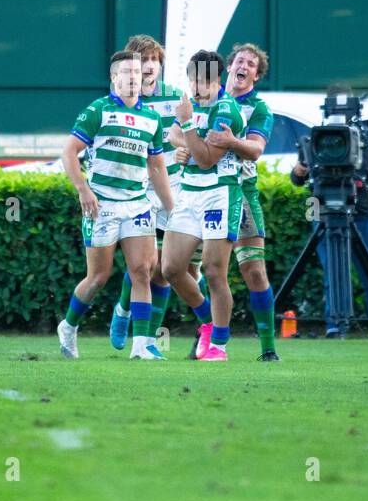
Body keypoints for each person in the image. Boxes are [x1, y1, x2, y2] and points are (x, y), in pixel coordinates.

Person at [55, 51, 186, 360]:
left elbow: (156, 168)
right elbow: (69, 153)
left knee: (143, 270)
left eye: (137, 73)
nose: (132, 78)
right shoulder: (97, 111)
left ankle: (141, 346)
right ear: (113, 78)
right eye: (126, 72)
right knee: (98, 278)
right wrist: (83, 190)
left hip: (137, 205)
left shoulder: (152, 119)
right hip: (101, 206)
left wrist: (172, 210)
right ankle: (69, 327)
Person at [107, 36, 194, 350]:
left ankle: (151, 340)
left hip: (175, 189)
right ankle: (123, 309)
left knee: (164, 271)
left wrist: (186, 146)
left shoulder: (177, 97)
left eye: (153, 61)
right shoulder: (122, 99)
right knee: (144, 264)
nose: (147, 67)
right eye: (141, 61)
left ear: (160, 65)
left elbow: (192, 135)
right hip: (138, 191)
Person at [162, 50, 245, 361]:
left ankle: (219, 347)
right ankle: (208, 322)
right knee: (170, 268)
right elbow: (172, 135)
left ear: (218, 81)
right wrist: (187, 143)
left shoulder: (226, 111)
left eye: (205, 81)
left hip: (219, 194)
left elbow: (208, 159)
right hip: (189, 193)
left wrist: (187, 131)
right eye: (194, 80)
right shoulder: (191, 104)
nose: (197, 88)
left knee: (213, 271)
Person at [205, 43, 279, 360]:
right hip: (204, 191)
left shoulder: (259, 109)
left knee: (254, 272)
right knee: (184, 267)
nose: (243, 66)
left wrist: (232, 141)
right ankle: (209, 340)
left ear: (256, 75)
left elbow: (256, 150)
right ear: (228, 67)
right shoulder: (208, 98)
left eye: (250, 64)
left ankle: (268, 349)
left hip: (242, 194)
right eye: (239, 60)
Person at [289, 156, 368, 339]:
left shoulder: (365, 135)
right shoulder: (315, 138)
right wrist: (297, 172)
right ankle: (335, 326)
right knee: (333, 269)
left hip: (362, 210)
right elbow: (298, 179)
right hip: (320, 210)